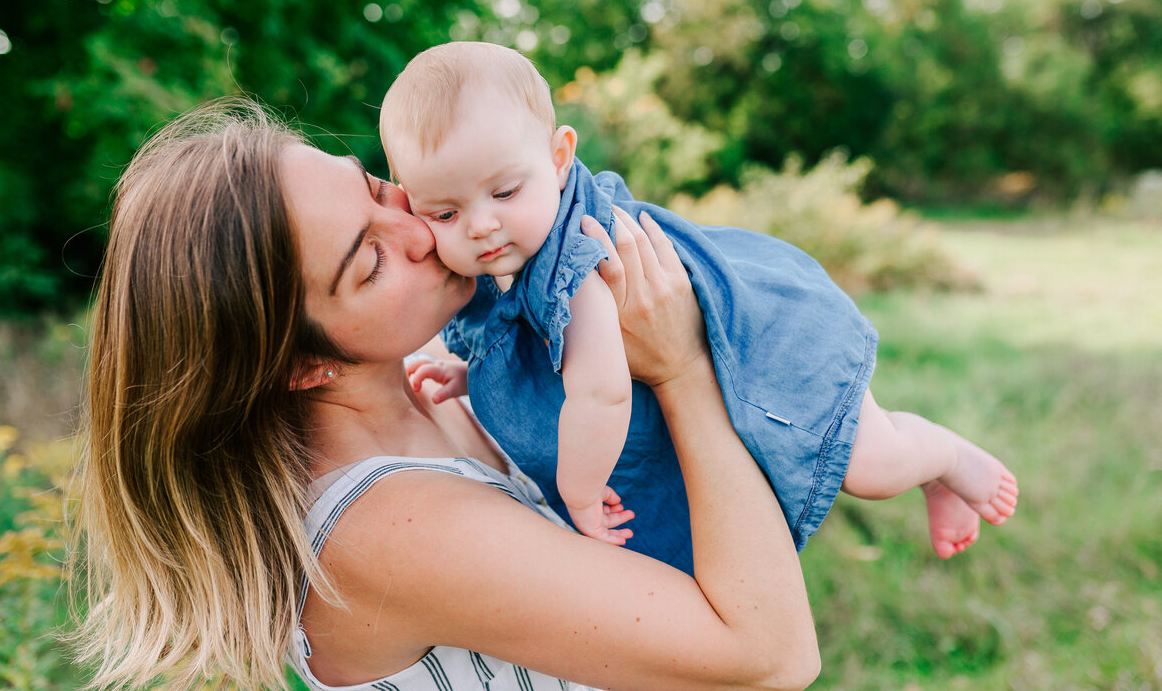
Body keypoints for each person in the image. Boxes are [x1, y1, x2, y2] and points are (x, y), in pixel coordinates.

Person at [71, 97, 821, 691]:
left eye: (375, 189)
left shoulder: (437, 375)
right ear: (299, 366)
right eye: (371, 261)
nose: (423, 233)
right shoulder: (388, 529)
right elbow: (769, 656)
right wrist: (684, 368)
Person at [380, 41, 1019, 560]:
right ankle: (934, 471)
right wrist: (476, 373)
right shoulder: (513, 253)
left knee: (873, 468)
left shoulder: (582, 260)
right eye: (445, 211)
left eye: (504, 192)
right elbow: (546, 349)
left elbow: (600, 389)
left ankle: (946, 457)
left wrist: (580, 493)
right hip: (722, 346)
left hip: (768, 343)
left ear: (558, 156)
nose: (481, 226)